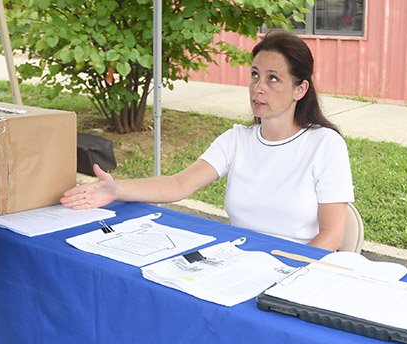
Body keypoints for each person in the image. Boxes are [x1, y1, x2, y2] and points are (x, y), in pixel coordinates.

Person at [61, 30, 354, 251]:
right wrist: (116, 189)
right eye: (254, 75)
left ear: (300, 89)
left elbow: (331, 236)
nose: (258, 88)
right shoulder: (236, 140)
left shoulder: (325, 145)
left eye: (272, 78)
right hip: (243, 262)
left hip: (297, 267)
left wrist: (287, 274)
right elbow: (179, 184)